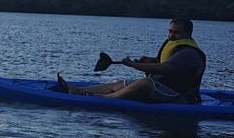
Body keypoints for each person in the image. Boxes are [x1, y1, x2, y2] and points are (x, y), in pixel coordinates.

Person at [56, 17, 205, 104]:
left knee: (145, 83)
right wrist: (150, 60)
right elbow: (162, 63)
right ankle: (78, 90)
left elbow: (164, 68)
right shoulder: (177, 47)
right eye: (170, 31)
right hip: (165, 88)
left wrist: (134, 65)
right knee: (123, 83)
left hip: (180, 97)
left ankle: (99, 99)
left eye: (177, 33)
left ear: (187, 34)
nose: (171, 36)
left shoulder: (189, 53)